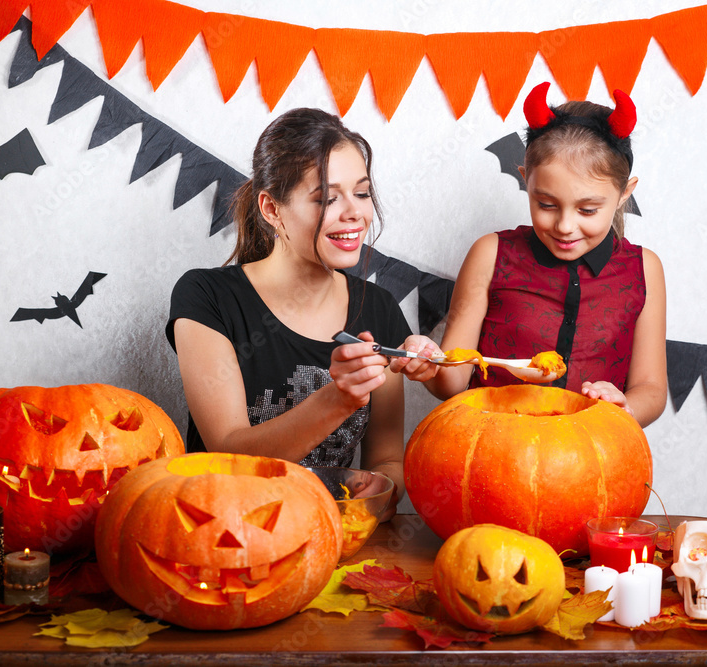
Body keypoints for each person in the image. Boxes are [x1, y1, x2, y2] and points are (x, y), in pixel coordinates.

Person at [166, 108, 410, 516]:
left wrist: (380, 493)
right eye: (328, 198)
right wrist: (338, 400)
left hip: (325, 539)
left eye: (362, 193)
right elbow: (230, 452)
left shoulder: (380, 308)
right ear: (272, 209)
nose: (355, 213)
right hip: (223, 535)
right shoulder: (207, 296)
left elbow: (387, 462)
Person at [393, 82, 667, 427]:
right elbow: (454, 381)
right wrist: (431, 365)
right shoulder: (490, 254)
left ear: (625, 192)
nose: (565, 225)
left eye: (587, 210)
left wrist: (623, 405)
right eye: (546, 204)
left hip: (591, 452)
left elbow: (652, 389)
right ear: (526, 181)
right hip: (489, 446)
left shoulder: (644, 269)